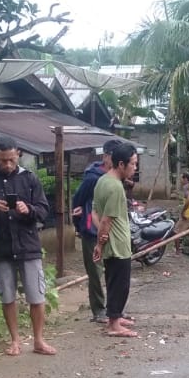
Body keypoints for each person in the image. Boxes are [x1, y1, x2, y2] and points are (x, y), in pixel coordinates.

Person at [0, 141, 56, 356]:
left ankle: (39, 340)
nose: (8, 164)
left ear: (18, 155)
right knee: (7, 296)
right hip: (1, 247)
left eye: (12, 159)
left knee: (37, 296)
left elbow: (43, 210)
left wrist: (26, 208)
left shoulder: (30, 179)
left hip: (28, 246)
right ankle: (15, 341)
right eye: (3, 160)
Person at [92, 140, 139, 339]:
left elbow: (94, 213)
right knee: (120, 284)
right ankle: (113, 324)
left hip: (114, 241)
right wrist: (100, 243)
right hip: (117, 244)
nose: (135, 168)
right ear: (121, 164)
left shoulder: (103, 181)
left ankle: (116, 317)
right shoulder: (115, 187)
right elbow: (105, 220)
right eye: (133, 164)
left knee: (114, 282)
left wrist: (101, 239)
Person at [71, 143, 116, 323]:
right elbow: (78, 202)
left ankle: (114, 309)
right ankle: (99, 310)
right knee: (96, 272)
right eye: (113, 156)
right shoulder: (92, 178)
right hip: (92, 230)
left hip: (112, 229)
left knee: (114, 269)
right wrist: (80, 224)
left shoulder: (117, 177)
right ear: (105, 156)